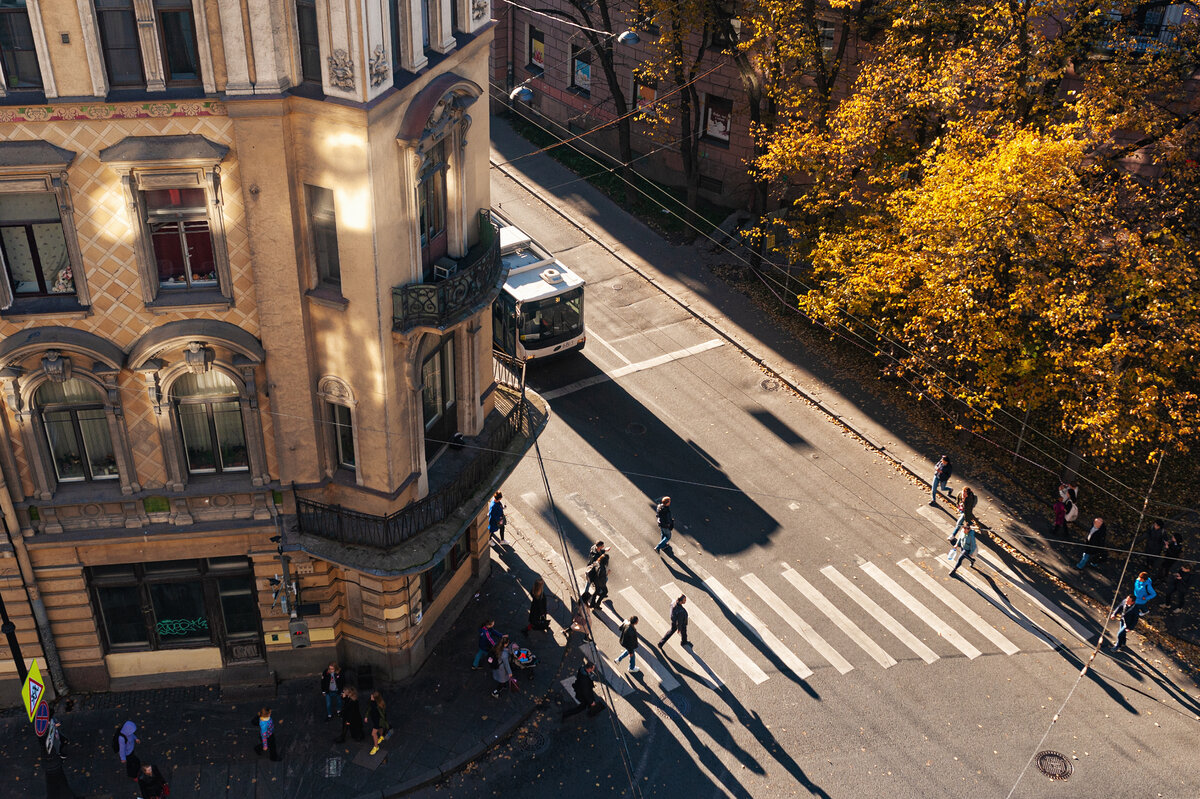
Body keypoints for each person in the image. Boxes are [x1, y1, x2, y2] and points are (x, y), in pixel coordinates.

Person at [366, 691, 390, 755]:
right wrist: (366, 716)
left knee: (373, 734)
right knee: (380, 728)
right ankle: (382, 736)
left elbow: (383, 715)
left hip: (378, 721)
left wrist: (383, 722)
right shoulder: (373, 702)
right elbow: (369, 709)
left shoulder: (378, 705)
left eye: (372, 696)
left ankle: (376, 747)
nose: (370, 697)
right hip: (375, 719)